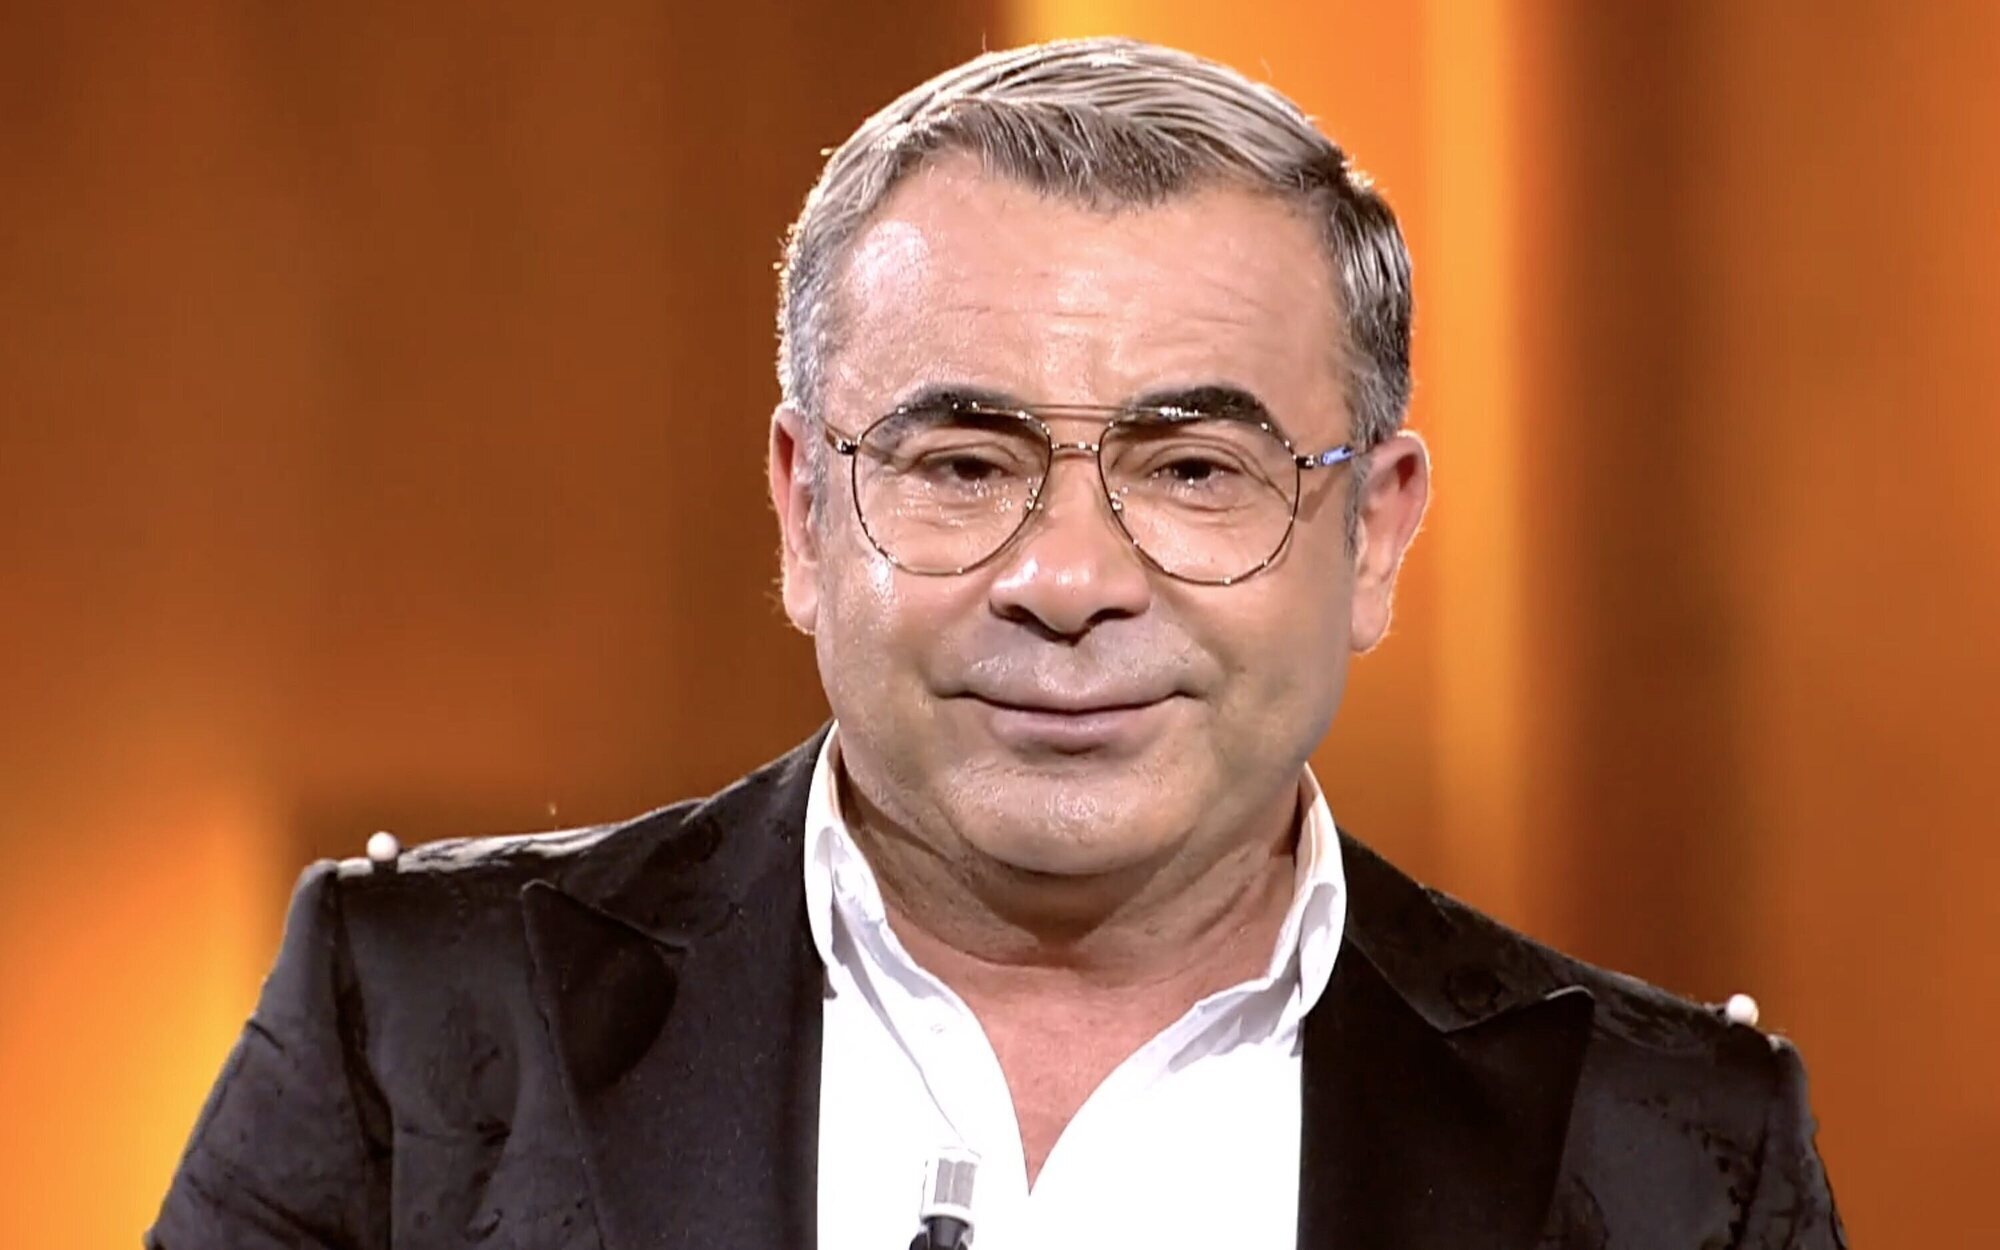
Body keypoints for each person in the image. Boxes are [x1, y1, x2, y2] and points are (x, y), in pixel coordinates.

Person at [149, 37, 1843, 1250]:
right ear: (805, 511)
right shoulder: (420, 1036)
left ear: (1374, 534)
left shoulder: (1670, 1157)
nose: (1067, 576)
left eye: (1195, 470)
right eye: (962, 464)